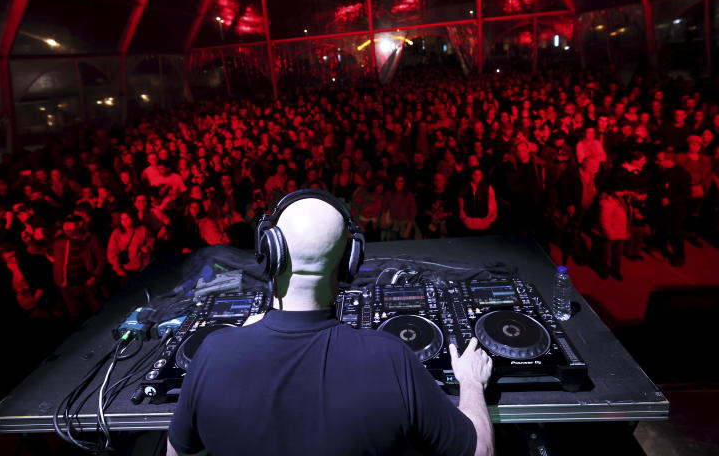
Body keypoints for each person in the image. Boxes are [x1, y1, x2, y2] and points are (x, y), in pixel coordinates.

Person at [167, 194, 494, 456]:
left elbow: (177, 450)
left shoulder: (212, 353)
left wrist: (236, 342)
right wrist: (471, 383)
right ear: (350, 263)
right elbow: (480, 450)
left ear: (269, 253)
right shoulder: (391, 359)